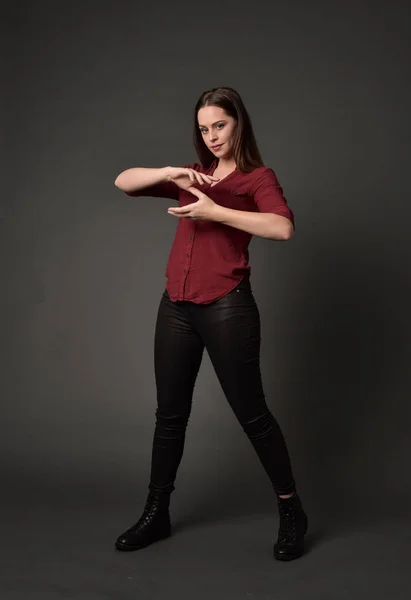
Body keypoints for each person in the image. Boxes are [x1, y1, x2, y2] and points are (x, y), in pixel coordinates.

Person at [113, 87, 308, 561]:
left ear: (237, 123)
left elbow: (282, 227)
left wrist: (215, 210)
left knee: (252, 415)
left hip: (227, 306)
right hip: (176, 307)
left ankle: (291, 510)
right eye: (204, 128)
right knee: (170, 415)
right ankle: (157, 513)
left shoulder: (255, 177)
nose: (212, 135)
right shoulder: (192, 175)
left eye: (219, 124)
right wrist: (169, 173)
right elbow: (123, 181)